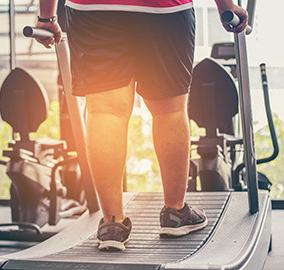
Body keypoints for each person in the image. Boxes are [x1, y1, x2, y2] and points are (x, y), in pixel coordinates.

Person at [35, 0, 248, 251]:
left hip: (93, 9)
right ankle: (175, 212)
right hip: (164, 8)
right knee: (169, 110)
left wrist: (47, 16)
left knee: (105, 111)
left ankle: (112, 224)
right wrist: (226, 6)